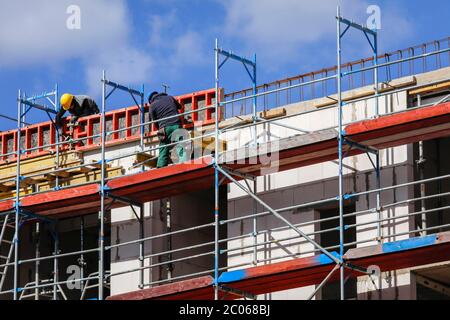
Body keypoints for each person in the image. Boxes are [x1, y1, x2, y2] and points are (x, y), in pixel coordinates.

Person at [148, 91, 187, 168]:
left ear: (150, 100)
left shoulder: (152, 105)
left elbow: (154, 120)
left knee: (163, 147)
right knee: (180, 144)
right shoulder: (170, 98)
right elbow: (180, 107)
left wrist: (159, 128)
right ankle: (183, 162)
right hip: (176, 124)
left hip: (164, 128)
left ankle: (161, 166)